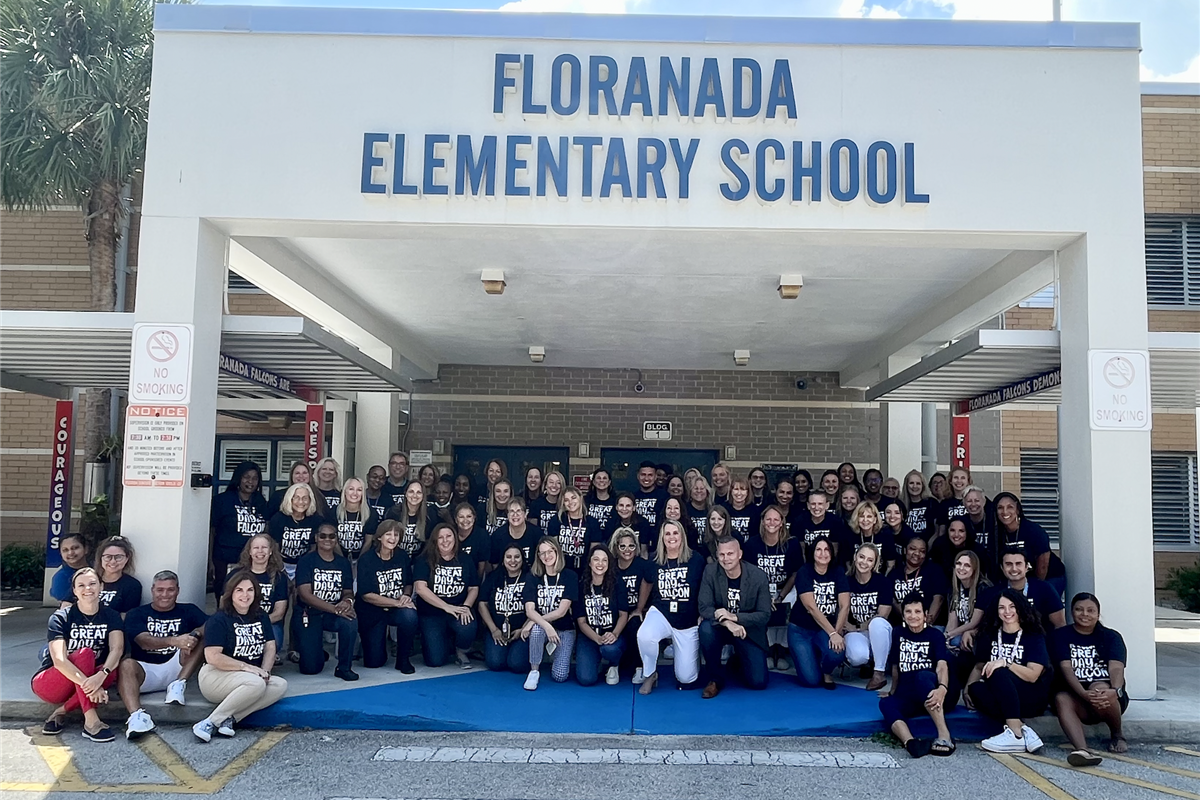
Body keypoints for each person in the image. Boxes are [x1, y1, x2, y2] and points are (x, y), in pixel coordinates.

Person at [194, 571, 287, 742]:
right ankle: (210, 722)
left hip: (248, 678)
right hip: (216, 676)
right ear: (230, 593)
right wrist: (247, 668)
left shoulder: (261, 616)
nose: (245, 595)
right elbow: (213, 657)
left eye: (250, 590)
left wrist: (265, 671)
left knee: (280, 685)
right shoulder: (219, 619)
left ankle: (230, 718)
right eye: (239, 590)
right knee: (256, 683)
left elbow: (270, 647)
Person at [33, 568, 123, 742]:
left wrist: (100, 676)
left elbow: (117, 649)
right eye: (81, 585)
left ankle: (61, 711)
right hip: (53, 682)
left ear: (101, 587)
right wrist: (92, 685)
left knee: (111, 671)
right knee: (85, 654)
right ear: (74, 591)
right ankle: (91, 721)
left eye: (92, 583)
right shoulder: (60, 618)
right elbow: (59, 660)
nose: (87, 588)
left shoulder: (111, 615)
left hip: (87, 680)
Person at [119, 571, 207, 739]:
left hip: (178, 668)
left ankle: (178, 685)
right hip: (145, 671)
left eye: (170, 589)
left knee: (202, 639)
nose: (165, 594)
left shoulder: (188, 610)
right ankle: (137, 717)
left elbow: (212, 624)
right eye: (160, 590)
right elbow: (143, 641)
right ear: (152, 590)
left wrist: (195, 635)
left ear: (178, 590)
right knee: (126, 664)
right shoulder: (137, 613)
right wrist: (175, 641)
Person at [967, 589, 1052, 754]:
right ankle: (1023, 729)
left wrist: (1006, 663)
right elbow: (979, 666)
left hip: (1030, 695)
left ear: (1021, 607)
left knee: (998, 671)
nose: (1007, 612)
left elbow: (1033, 675)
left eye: (1012, 606)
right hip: (1002, 697)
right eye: (1002, 607)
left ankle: (1015, 734)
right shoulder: (989, 634)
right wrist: (967, 689)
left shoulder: (1033, 636)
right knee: (976, 688)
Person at [1051, 593, 1129, 766]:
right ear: (1072, 612)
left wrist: (1115, 691)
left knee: (1099, 687)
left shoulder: (1111, 637)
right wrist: (1082, 694)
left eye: (1090, 610)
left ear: (1098, 614)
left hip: (1107, 698)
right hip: (1075, 695)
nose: (1084, 614)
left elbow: (1116, 667)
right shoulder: (1061, 636)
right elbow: (1066, 668)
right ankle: (1082, 751)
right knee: (1061, 698)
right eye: (1079, 609)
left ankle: (1117, 735)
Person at [879, 593, 956, 758]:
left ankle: (944, 736)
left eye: (917, 611)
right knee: (886, 704)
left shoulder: (935, 635)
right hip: (911, 694)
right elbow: (895, 666)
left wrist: (942, 688)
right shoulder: (898, 633)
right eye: (908, 612)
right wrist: (892, 691)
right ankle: (911, 742)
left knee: (922, 677)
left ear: (925, 614)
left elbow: (942, 666)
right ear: (903, 615)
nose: (913, 616)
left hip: (936, 691)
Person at [636, 520, 705, 694]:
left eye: (675, 533)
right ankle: (650, 673)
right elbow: (647, 582)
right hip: (662, 613)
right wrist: (639, 608)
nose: (671, 537)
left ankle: (692, 658)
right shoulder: (654, 559)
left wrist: (703, 611)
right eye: (667, 533)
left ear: (682, 536)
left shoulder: (696, 559)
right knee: (645, 635)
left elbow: (704, 586)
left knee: (686, 678)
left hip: (688, 620)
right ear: (662, 537)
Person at [698, 535, 771, 697]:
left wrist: (735, 617)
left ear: (740, 554)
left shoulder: (758, 576)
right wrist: (727, 622)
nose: (726, 559)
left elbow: (764, 615)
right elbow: (704, 607)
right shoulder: (710, 571)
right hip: (720, 627)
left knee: (758, 682)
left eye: (730, 554)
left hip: (747, 630)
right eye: (722, 554)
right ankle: (715, 679)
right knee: (706, 628)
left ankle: (737, 660)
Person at [293, 524, 359, 681]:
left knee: (350, 620)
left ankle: (344, 668)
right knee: (310, 669)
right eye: (323, 536)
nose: (327, 539)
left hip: (333, 614)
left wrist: (347, 601)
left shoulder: (343, 563)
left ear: (336, 539)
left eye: (332, 536)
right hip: (309, 613)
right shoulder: (306, 561)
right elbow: (305, 594)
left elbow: (348, 591)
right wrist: (334, 609)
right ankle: (316, 652)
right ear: (316, 538)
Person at [742, 505, 802, 671]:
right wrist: (765, 597)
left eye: (776, 519)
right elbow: (749, 575)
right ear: (762, 521)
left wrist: (781, 596)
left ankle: (780, 649)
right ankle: (768, 649)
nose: (772, 522)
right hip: (761, 590)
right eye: (768, 519)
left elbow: (795, 573)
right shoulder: (752, 544)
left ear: (782, 522)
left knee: (790, 601)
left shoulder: (792, 543)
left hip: (785, 589)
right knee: (761, 606)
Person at [355, 519, 417, 672]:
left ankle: (403, 659)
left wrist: (406, 595)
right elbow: (366, 595)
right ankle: (369, 643)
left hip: (397, 609)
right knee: (374, 662)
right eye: (388, 534)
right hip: (371, 611)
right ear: (379, 537)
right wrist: (396, 603)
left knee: (410, 615)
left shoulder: (402, 556)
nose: (392, 538)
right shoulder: (367, 559)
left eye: (396, 535)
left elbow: (409, 582)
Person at [414, 523, 480, 669]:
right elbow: (420, 588)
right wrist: (446, 607)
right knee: (435, 661)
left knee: (467, 625)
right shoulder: (424, 559)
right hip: (431, 613)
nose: (445, 540)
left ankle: (461, 651)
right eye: (440, 538)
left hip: (458, 609)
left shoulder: (465, 559)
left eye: (448, 536)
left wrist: (466, 606)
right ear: (435, 541)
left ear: (455, 538)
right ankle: (445, 643)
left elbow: (473, 588)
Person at [789, 537, 849, 689]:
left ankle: (826, 671)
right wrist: (832, 633)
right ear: (812, 552)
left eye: (827, 549)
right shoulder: (804, 572)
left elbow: (844, 606)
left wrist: (836, 633)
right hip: (800, 630)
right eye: (818, 549)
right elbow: (811, 608)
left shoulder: (838, 571)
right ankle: (811, 656)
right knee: (811, 681)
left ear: (832, 552)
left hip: (824, 629)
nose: (823, 553)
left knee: (837, 652)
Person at [522, 536, 578, 690]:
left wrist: (533, 620)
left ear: (557, 551)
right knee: (536, 630)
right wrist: (546, 626)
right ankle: (534, 671)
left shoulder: (569, 576)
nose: (547, 556)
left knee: (560, 676)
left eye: (550, 551)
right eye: (542, 553)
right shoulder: (533, 576)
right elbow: (529, 610)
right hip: (542, 627)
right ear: (538, 556)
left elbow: (561, 611)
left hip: (564, 628)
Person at [843, 541, 894, 693]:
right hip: (855, 631)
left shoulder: (883, 582)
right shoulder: (845, 581)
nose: (864, 562)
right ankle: (869, 661)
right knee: (857, 656)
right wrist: (849, 626)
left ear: (875, 563)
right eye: (861, 557)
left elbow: (883, 614)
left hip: (878, 631)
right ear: (855, 557)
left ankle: (879, 673)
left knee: (877, 623)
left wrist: (858, 627)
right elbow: (841, 610)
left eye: (870, 560)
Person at [575, 543, 630, 686]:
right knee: (586, 679)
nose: (600, 564)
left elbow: (623, 615)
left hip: (612, 634)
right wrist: (597, 638)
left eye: (604, 560)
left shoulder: (617, 584)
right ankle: (596, 662)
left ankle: (614, 664)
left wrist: (614, 634)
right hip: (589, 636)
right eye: (596, 559)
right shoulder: (581, 586)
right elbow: (581, 622)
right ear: (589, 562)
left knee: (609, 649)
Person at [209, 460, 267, 592]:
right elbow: (211, 532)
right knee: (225, 594)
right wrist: (210, 561)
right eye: (246, 477)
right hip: (224, 559)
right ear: (238, 478)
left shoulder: (260, 501)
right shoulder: (222, 500)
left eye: (255, 478)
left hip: (252, 560)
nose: (250, 482)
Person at [994, 493, 1066, 597]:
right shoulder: (997, 534)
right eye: (1000, 508)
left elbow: (1043, 566)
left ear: (1017, 510)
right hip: (1018, 578)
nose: (1005, 511)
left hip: (1049, 576)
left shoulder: (1034, 531)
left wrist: (1035, 588)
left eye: (1010, 507)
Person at [231, 534, 289, 659]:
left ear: (271, 551)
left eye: (264, 547)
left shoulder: (279, 577)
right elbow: (224, 604)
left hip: (268, 623)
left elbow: (279, 613)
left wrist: (256, 624)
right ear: (250, 551)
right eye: (256, 548)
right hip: (238, 623)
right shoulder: (235, 574)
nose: (260, 551)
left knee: (273, 641)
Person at [478, 543, 531, 673]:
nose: (513, 561)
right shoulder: (493, 577)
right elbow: (482, 604)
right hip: (497, 630)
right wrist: (493, 629)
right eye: (508, 557)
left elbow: (537, 607)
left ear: (522, 559)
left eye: (517, 557)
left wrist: (523, 629)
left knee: (517, 664)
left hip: (522, 631)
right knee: (495, 663)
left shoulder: (530, 578)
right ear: (503, 559)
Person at [983, 548, 1065, 631]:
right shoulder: (993, 592)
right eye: (1008, 564)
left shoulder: (1045, 589)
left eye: (1018, 564)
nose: (1014, 568)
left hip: (1038, 637)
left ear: (1026, 567)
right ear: (1002, 567)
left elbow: (1060, 625)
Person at [611, 527, 653, 683]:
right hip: (617, 612)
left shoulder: (643, 565)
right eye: (622, 546)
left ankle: (640, 667)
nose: (627, 550)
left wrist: (639, 609)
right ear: (616, 548)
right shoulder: (611, 566)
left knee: (635, 624)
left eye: (631, 546)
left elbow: (648, 584)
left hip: (638, 611)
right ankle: (614, 664)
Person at [269, 483, 324, 580]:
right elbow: (274, 548)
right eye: (296, 498)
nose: (301, 501)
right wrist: (282, 570)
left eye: (305, 498)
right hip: (281, 565)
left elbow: (313, 548)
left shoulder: (316, 520)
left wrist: (301, 570)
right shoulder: (278, 519)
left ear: (310, 500)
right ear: (290, 499)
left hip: (305, 566)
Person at [888, 537, 947, 625]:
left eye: (922, 551)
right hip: (902, 626)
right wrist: (910, 620)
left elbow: (938, 599)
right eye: (912, 549)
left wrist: (925, 623)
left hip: (930, 625)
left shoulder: (934, 570)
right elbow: (892, 600)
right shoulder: (894, 574)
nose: (917, 553)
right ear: (905, 550)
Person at [547, 487, 603, 573]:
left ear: (580, 498)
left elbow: (594, 551)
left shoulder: (592, 522)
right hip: (562, 569)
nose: (570, 502)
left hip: (585, 569)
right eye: (566, 500)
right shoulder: (557, 520)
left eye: (573, 498)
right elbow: (553, 548)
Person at [944, 551, 989, 651]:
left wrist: (949, 635)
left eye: (967, 565)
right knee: (936, 632)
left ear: (974, 569)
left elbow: (974, 623)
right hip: (959, 631)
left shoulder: (983, 588)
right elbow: (952, 621)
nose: (961, 568)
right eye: (958, 564)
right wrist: (945, 638)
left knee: (955, 641)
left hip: (977, 632)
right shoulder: (954, 589)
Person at [93, 536, 142, 616]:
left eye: (118, 557)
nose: (113, 561)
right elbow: (71, 604)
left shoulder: (132, 586)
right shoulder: (89, 579)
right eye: (108, 557)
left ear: (127, 558)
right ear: (100, 558)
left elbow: (126, 616)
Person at [384, 481, 435, 557]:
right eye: (411, 492)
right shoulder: (394, 512)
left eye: (418, 492)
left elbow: (430, 543)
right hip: (397, 557)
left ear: (423, 496)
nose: (415, 495)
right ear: (405, 494)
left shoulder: (430, 514)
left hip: (420, 557)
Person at [798, 491, 850, 561]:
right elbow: (801, 550)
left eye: (820, 504)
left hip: (829, 562)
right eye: (813, 504)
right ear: (808, 505)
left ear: (827, 505)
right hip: (808, 563)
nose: (816, 507)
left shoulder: (835, 522)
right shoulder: (800, 521)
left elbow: (834, 551)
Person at [846, 501, 896, 574]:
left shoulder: (885, 535)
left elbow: (890, 564)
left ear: (875, 519)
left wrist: (884, 579)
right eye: (861, 516)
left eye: (869, 516)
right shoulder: (850, 535)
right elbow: (848, 563)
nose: (865, 520)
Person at [489, 497, 541, 565]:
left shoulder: (537, 534)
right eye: (512, 511)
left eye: (518, 511)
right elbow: (494, 563)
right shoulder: (498, 536)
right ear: (507, 515)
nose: (515, 515)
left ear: (525, 514)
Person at [337, 477, 378, 560]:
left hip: (362, 558)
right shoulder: (334, 511)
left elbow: (368, 541)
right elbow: (333, 541)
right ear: (345, 491)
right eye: (351, 489)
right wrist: (342, 561)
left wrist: (360, 560)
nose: (355, 493)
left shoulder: (371, 513)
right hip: (338, 557)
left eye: (359, 490)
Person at [963, 486, 998, 573]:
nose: (973, 504)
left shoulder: (994, 521)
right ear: (964, 504)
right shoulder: (962, 523)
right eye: (969, 501)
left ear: (984, 502)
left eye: (977, 500)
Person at [452, 503, 492, 578]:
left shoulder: (482, 535)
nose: (465, 520)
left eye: (469, 516)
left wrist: (477, 583)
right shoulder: (450, 533)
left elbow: (482, 565)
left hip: (473, 577)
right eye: (461, 517)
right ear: (456, 519)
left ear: (474, 518)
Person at [50, 532, 90, 605]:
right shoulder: (60, 578)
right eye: (65, 550)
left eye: (75, 548)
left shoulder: (99, 571)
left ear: (86, 549)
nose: (70, 553)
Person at [902, 470, 938, 543]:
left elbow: (937, 530)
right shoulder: (901, 504)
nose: (914, 486)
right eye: (911, 483)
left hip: (928, 546)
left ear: (923, 486)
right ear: (906, 485)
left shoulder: (932, 503)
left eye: (918, 483)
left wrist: (930, 544)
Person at [633, 461, 669, 530]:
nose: (646, 478)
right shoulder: (632, 497)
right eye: (643, 474)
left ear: (655, 477)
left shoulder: (664, 497)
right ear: (638, 476)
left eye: (650, 475)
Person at [726, 478, 760, 543]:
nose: (739, 493)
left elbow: (755, 534)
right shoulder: (724, 508)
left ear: (747, 492)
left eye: (742, 489)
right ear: (731, 491)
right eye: (736, 489)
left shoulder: (755, 510)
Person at [882, 499, 915, 564]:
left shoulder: (909, 535)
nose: (892, 516)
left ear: (903, 516)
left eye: (897, 513)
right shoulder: (882, 532)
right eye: (888, 512)